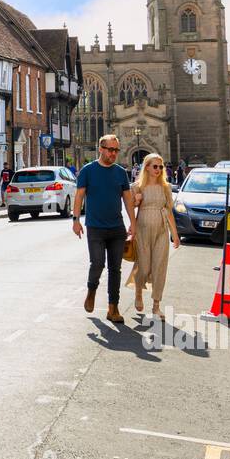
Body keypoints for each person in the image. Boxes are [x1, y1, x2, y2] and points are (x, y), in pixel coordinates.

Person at [73, 133, 138, 324]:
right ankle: (91, 290)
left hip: (117, 228)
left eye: (116, 150)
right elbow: (79, 196)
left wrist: (133, 223)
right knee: (98, 263)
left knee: (115, 269)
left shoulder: (120, 172)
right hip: (95, 227)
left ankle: (113, 308)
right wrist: (76, 220)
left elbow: (127, 199)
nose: (113, 153)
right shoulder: (88, 170)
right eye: (110, 149)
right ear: (100, 149)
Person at [129, 153, 180, 317]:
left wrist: (175, 234)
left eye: (161, 167)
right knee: (143, 266)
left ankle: (156, 305)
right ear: (147, 167)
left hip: (161, 231)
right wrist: (136, 201)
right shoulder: (137, 186)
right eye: (155, 166)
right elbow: (131, 208)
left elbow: (170, 212)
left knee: (159, 267)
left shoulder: (166, 187)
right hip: (142, 230)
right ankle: (138, 292)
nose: (158, 169)